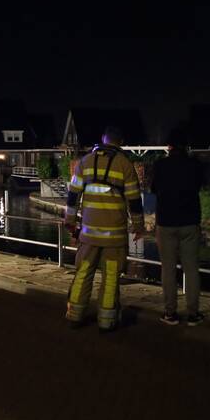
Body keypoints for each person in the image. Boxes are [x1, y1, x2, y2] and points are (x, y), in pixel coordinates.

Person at [64, 126, 145, 332]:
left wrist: (70, 221)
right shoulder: (125, 165)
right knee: (110, 277)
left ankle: (74, 315)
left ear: (103, 139)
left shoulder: (85, 162)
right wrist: (138, 226)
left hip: (88, 234)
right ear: (121, 141)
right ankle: (106, 321)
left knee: (83, 273)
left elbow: (73, 196)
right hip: (114, 236)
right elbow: (134, 201)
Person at [151, 129, 205, 326]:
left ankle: (170, 312)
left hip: (166, 222)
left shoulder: (160, 165)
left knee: (168, 269)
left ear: (169, 146)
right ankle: (193, 313)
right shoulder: (195, 165)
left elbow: (154, 189)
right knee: (191, 269)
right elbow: (200, 186)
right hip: (190, 221)